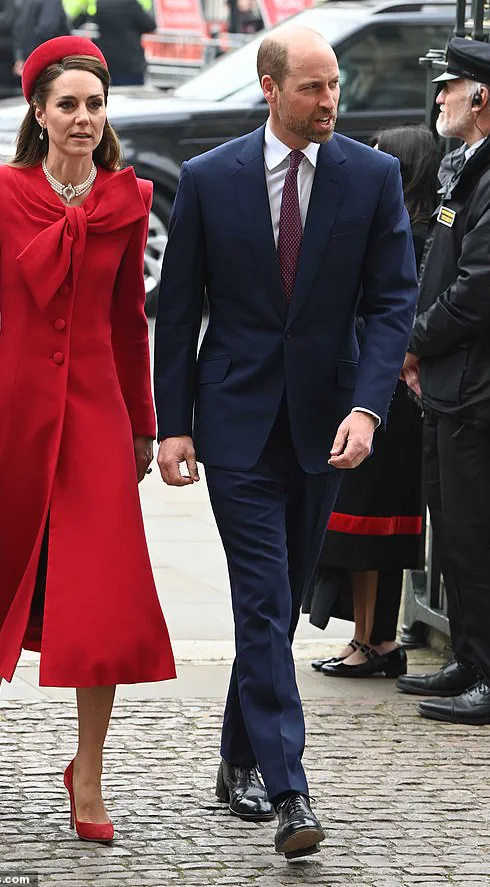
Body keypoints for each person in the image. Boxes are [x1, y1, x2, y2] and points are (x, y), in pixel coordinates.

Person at [154, 25, 417, 860]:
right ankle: (289, 786)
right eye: (312, 87)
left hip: (327, 427)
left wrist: (369, 409)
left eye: (334, 84)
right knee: (265, 600)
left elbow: (391, 303)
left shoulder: (370, 177)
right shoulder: (208, 179)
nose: (329, 100)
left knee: (274, 608)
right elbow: (179, 310)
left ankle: (237, 754)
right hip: (233, 425)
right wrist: (173, 423)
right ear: (270, 89)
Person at [0, 36, 176, 842]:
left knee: (104, 595)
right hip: (16, 412)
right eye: (67, 103)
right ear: (38, 112)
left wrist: (144, 421)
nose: (82, 117)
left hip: (101, 418)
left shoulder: (129, 198)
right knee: (0, 570)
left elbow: (128, 321)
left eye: (94, 105)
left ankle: (90, 771)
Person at [305, 125, 439, 679]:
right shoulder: (399, 219)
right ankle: (369, 637)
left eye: (384, 157)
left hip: (388, 391)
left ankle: (376, 641)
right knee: (359, 522)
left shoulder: (412, 227)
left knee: (373, 522)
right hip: (374, 382)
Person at [399, 37, 490, 726]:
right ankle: (467, 653)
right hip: (451, 382)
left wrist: (413, 341)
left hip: (475, 386)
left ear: (480, 97)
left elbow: (476, 290)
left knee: (474, 530)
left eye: (449, 86)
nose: (439, 98)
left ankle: (486, 670)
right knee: (452, 527)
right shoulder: (469, 167)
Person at [68, 0, 156, 87]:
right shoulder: (131, 3)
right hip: (130, 61)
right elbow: (150, 25)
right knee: (133, 94)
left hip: (108, 60)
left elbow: (79, 21)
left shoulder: (100, 4)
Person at [12, 0, 71, 76]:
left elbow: (19, 28)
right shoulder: (51, 2)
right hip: (48, 59)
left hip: (31, 57)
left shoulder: (27, 2)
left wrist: (21, 57)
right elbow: (47, 28)